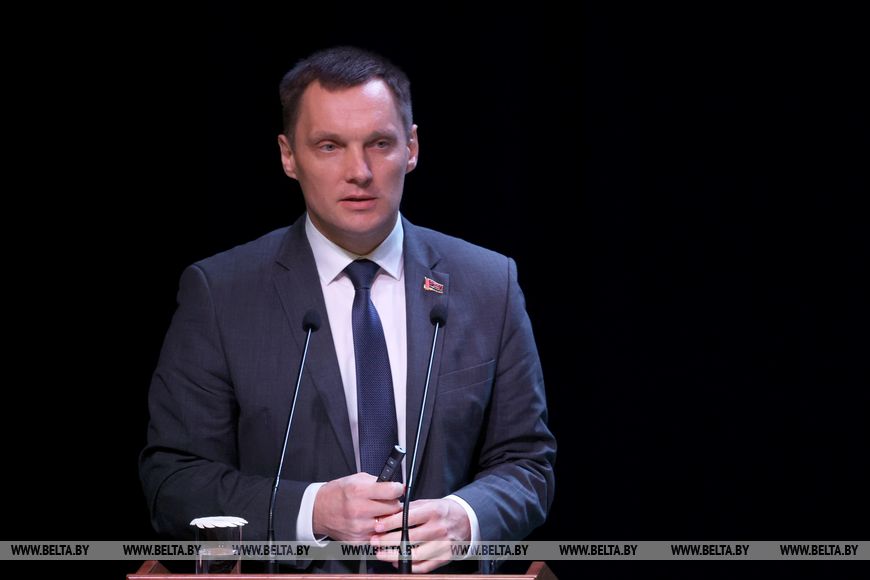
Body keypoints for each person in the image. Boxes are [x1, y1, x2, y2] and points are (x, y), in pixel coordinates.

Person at [139, 46, 555, 574]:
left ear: (412, 148)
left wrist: (467, 518)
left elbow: (528, 464)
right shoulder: (221, 294)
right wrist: (312, 510)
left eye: (379, 143)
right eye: (329, 146)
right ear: (289, 156)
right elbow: (174, 482)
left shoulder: (489, 284)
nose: (359, 172)